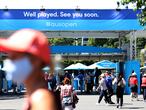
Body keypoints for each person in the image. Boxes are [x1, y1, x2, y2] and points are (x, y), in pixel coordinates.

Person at [0, 29, 61, 110]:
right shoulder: (35, 95)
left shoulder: (40, 98)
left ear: (35, 60)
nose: (10, 62)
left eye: (14, 57)